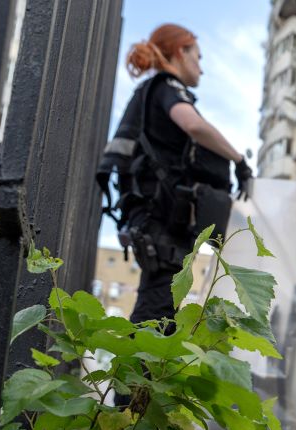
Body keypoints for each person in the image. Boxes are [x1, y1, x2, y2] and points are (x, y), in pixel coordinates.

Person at [97, 23, 253, 325]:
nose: (201, 68)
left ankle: (141, 369)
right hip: (159, 219)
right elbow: (192, 124)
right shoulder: (167, 87)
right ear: (181, 51)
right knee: (156, 313)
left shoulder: (150, 90)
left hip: (156, 217)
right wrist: (238, 160)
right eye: (198, 56)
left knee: (159, 306)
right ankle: (137, 370)